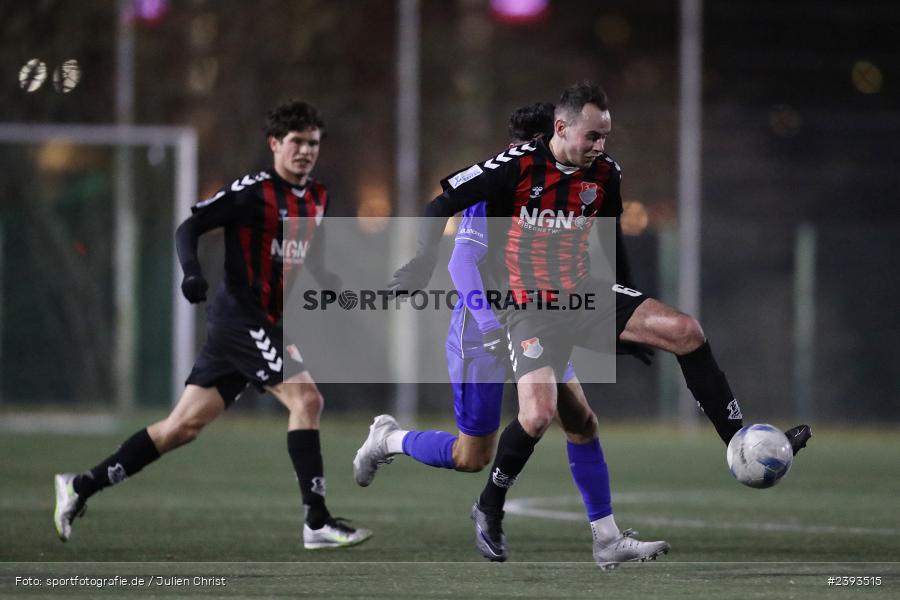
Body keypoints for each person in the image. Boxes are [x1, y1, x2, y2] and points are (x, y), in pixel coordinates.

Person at [387, 81, 812, 563]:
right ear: (561, 127)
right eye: (592, 136)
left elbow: (611, 245)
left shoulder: (606, 174)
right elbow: (440, 203)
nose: (600, 146)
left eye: (605, 136)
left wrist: (628, 320)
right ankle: (489, 505)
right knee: (538, 415)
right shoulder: (517, 165)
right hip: (526, 306)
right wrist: (423, 261)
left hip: (583, 294)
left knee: (685, 331)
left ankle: (738, 441)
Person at [354, 102, 668, 569]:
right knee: (470, 456)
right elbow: (462, 264)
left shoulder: (565, 188)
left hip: (539, 323)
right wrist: (489, 327)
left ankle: (606, 539)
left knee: (581, 421)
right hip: (482, 333)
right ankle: (389, 440)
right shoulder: (497, 190)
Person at [53, 100, 372, 550]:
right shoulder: (252, 192)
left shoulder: (317, 196)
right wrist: (191, 271)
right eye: (296, 142)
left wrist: (329, 281)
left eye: (313, 143)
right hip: (242, 317)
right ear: (275, 145)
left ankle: (81, 485)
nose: (305, 151)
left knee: (181, 427)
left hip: (263, 322)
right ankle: (316, 521)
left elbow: (304, 250)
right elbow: (190, 227)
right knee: (307, 399)